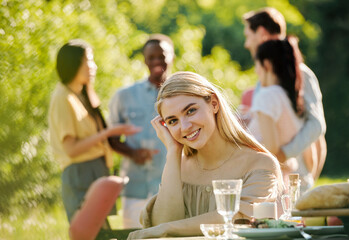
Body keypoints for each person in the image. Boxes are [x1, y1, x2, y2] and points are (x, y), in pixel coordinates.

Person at [127, 71, 284, 239]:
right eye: (173, 121)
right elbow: (161, 227)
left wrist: (168, 228)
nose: (185, 126)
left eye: (190, 111)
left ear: (214, 104)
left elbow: (237, 219)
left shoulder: (259, 164)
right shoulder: (177, 168)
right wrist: (173, 152)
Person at [49, 39, 140, 222]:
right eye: (88, 61)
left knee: (103, 232)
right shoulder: (62, 97)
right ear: (72, 64)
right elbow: (71, 149)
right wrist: (107, 133)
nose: (93, 66)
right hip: (81, 174)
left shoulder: (81, 94)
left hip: (96, 172)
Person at [242, 7, 327, 184]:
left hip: (294, 176)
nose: (246, 44)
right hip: (275, 175)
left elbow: (316, 125)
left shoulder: (300, 74)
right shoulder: (265, 80)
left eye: (248, 36)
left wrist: (283, 155)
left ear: (262, 33)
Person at [108, 34, 175, 228]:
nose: (156, 61)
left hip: (172, 188)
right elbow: (111, 138)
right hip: (135, 187)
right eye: (151, 57)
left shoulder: (184, 95)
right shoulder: (124, 96)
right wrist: (133, 153)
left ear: (172, 56)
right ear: (144, 60)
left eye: (161, 56)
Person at [248, 37, 316, 192]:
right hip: (284, 180)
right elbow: (309, 156)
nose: (256, 70)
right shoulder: (292, 98)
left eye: (256, 65)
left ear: (266, 64)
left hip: (262, 181)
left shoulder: (266, 96)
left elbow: (271, 149)